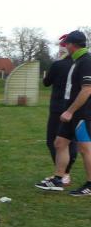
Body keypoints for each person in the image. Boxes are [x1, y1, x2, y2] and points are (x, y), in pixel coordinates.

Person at [35, 30, 91, 195]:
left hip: (82, 113)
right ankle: (58, 179)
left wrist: (70, 111)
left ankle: (90, 185)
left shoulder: (86, 61)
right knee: (60, 143)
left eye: (66, 44)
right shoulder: (76, 61)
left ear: (72, 45)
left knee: (85, 148)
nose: (64, 47)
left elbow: (87, 89)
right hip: (71, 112)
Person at [41, 34, 77, 185]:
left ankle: (62, 174)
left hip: (58, 108)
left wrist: (56, 63)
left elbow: (46, 82)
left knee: (53, 141)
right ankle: (65, 174)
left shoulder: (59, 64)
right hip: (76, 107)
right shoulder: (81, 64)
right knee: (72, 141)